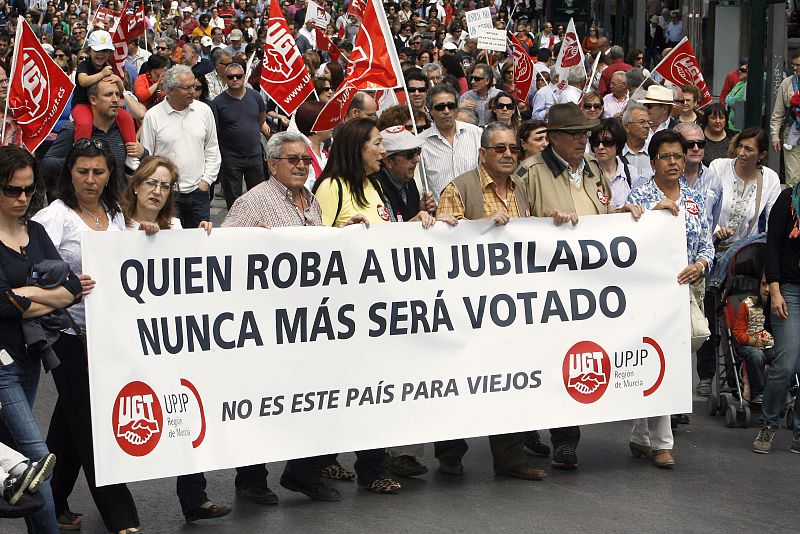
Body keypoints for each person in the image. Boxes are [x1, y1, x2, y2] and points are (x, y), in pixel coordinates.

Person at [515, 104, 643, 470]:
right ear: (552, 137)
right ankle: (529, 428)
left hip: (588, 288)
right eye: (574, 133)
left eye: (584, 133)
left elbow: (601, 216)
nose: (582, 139)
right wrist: (546, 224)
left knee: (574, 359)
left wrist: (624, 217)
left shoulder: (591, 169)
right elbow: (517, 228)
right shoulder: (531, 172)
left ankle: (566, 440)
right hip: (547, 286)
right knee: (544, 360)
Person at [32, 139, 140, 534]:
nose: (90, 180)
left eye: (98, 172)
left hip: (108, 333)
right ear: (69, 174)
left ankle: (51, 497)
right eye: (82, 172)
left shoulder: (115, 213)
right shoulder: (53, 217)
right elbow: (32, 268)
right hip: (66, 334)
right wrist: (65, 279)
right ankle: (122, 517)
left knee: (70, 420)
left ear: (110, 174)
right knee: (92, 421)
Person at [432, 125, 550, 482]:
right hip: (466, 305)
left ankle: (510, 458)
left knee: (508, 379)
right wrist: (478, 226)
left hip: (510, 305)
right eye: (500, 148)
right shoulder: (459, 188)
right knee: (459, 381)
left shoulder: (521, 189)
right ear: (482, 153)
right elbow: (442, 238)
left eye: (513, 148)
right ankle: (450, 454)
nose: (508, 154)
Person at [0, 145, 81, 534]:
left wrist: (24, 294)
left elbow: (70, 289)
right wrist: (41, 295)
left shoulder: (36, 231)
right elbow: (2, 306)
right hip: (1, 364)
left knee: (7, 451)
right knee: (35, 457)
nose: (22, 198)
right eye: (13, 190)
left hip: (31, 357)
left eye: (29, 190)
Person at [625, 129, 713, 468]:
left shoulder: (693, 199)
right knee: (657, 359)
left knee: (676, 356)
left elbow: (706, 244)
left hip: (685, 289)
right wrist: (649, 216)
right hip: (647, 292)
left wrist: (701, 264)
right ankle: (662, 442)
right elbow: (625, 236)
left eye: (679, 155)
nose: (674, 161)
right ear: (653, 162)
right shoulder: (641, 195)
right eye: (666, 156)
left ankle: (639, 434)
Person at [140, 65, 221, 230]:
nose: (193, 91)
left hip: (199, 194)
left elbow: (212, 150)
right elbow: (148, 160)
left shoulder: (204, 111)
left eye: (195, 86)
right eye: (187, 87)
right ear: (171, 89)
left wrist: (205, 183)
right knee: (169, 245)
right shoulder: (153, 116)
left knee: (200, 245)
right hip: (166, 195)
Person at [754, 170, 800, 454]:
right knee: (786, 363)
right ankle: (769, 424)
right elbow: (772, 247)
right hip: (789, 290)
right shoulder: (788, 199)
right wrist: (774, 290)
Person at [43, 80, 147, 191]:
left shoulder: (124, 130)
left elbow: (143, 168)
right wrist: (76, 161)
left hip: (119, 204)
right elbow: (47, 164)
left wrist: (143, 153)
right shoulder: (73, 130)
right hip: (82, 204)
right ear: (93, 100)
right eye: (108, 95)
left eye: (117, 94)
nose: (115, 99)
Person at [210, 62, 268, 209]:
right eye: (230, 77)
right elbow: (215, 131)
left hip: (255, 155)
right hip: (231, 159)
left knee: (258, 196)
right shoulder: (217, 103)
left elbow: (261, 119)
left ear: (244, 77)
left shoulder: (255, 97)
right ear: (225, 79)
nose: (235, 79)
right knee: (233, 198)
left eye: (238, 76)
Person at [72, 30, 136, 150]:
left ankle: (131, 152)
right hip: (82, 104)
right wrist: (102, 74)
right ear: (89, 50)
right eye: (97, 50)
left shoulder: (109, 65)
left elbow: (121, 91)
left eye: (105, 51)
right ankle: (80, 152)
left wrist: (117, 80)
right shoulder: (84, 65)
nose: (101, 54)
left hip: (103, 105)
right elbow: (83, 81)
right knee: (84, 123)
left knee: (126, 117)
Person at [420, 84, 482, 200]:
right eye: (440, 107)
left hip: (475, 213)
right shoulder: (421, 143)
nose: (446, 111)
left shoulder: (477, 134)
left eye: (451, 106)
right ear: (430, 110)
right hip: (441, 214)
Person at [732, 273, 773, 404]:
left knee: (786, 354)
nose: (766, 289)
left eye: (770, 285)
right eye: (763, 284)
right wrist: (753, 341)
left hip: (771, 346)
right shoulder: (747, 305)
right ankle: (759, 392)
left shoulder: (779, 305)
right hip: (749, 346)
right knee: (756, 355)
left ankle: (784, 391)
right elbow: (738, 332)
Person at [590, 118, 640, 208]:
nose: (600, 147)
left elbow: (640, 203)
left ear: (618, 144)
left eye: (607, 142)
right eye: (596, 142)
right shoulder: (587, 174)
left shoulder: (631, 173)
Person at [769, 51, 800, 186]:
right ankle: (794, 205)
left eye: (798, 65)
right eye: (793, 65)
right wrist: (775, 135)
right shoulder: (787, 83)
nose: (795, 68)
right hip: (791, 132)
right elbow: (778, 112)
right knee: (793, 177)